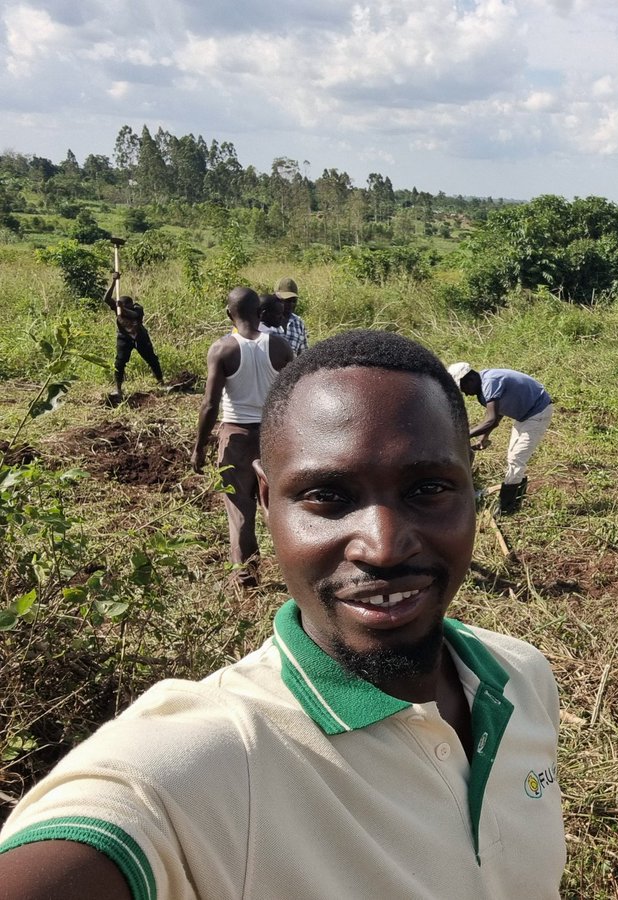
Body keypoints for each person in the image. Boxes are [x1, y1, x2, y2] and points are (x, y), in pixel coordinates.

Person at [0, 330, 566, 899]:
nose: (384, 546)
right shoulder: (211, 763)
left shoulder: (520, 677)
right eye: (327, 496)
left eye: (428, 487)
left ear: (472, 491)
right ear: (267, 504)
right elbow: (106, 822)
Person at [191, 287, 293, 589]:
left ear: (228, 314)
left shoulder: (223, 349)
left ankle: (247, 578)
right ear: (260, 313)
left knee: (239, 510)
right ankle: (297, 572)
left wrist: (199, 447)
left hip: (235, 436)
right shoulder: (280, 346)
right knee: (278, 507)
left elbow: (210, 404)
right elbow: (293, 393)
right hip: (273, 436)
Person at [447, 363, 553, 514]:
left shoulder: (490, 382)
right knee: (513, 457)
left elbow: (491, 420)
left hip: (538, 412)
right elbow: (497, 414)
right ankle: (516, 497)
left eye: (464, 389)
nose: (466, 394)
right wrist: (484, 436)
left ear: (469, 378)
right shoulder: (484, 388)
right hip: (525, 415)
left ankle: (507, 508)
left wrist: (462, 436)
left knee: (516, 458)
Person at [103, 271, 164, 400]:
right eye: (121, 308)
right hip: (124, 337)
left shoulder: (137, 308)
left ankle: (161, 382)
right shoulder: (117, 307)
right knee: (119, 363)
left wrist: (123, 309)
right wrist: (114, 282)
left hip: (140, 336)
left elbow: (133, 315)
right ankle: (118, 389)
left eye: (125, 307)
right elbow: (106, 299)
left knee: (152, 359)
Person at [273, 276, 309, 355]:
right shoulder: (264, 321)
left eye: (294, 301)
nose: (291, 304)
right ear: (276, 298)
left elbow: (304, 355)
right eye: (287, 301)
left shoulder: (299, 323)